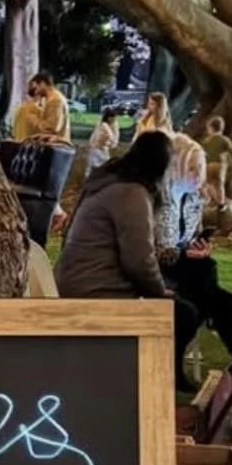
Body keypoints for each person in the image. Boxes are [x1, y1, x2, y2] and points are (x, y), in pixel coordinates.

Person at [56, 130, 201, 391]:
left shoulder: (107, 184)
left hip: (79, 282)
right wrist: (159, 292)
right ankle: (159, 380)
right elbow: (138, 260)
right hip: (96, 291)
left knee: (181, 301)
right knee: (184, 314)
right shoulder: (131, 194)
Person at [155, 134, 232, 361]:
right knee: (197, 305)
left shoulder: (193, 199)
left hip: (185, 270)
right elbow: (151, 251)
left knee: (226, 301)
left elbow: (192, 236)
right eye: (191, 169)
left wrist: (200, 247)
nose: (197, 175)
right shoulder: (157, 200)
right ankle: (171, 364)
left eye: (200, 169)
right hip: (160, 273)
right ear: (175, 168)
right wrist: (184, 253)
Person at [13, 72, 70, 143]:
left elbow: (51, 128)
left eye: (36, 88)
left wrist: (32, 117)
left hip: (55, 145)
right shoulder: (50, 99)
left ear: (42, 84)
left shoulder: (55, 100)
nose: (35, 92)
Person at [200, 116, 232, 201]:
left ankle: (212, 199)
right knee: (220, 184)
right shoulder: (224, 139)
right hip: (221, 166)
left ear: (211, 128)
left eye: (208, 128)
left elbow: (202, 155)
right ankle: (221, 201)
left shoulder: (205, 141)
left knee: (208, 183)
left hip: (209, 166)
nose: (207, 130)